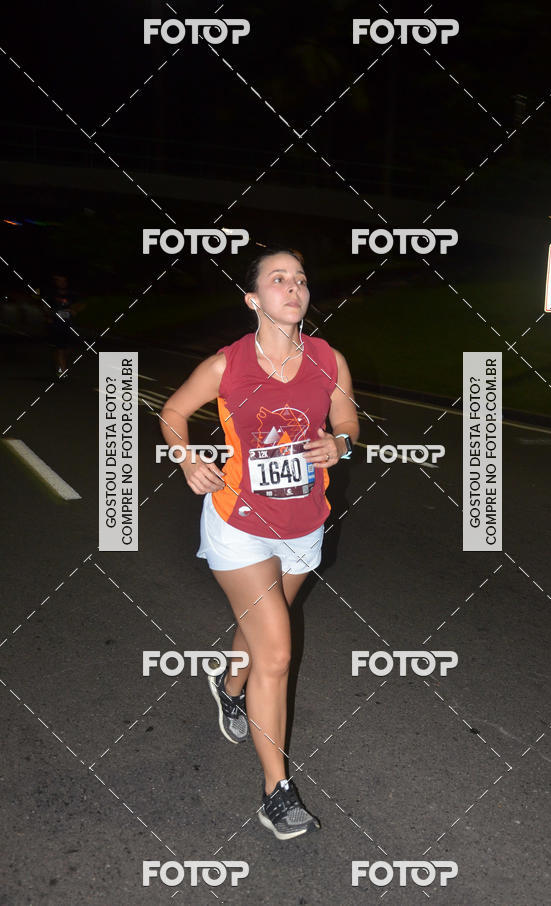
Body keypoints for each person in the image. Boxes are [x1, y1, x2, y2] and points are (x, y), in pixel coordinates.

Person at [160, 248, 359, 840]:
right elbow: (173, 411)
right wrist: (186, 458)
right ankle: (277, 792)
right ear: (253, 299)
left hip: (304, 524)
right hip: (239, 525)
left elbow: (349, 423)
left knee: (260, 627)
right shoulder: (227, 365)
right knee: (275, 652)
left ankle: (228, 688)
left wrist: (340, 446)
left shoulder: (328, 359)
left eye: (300, 279)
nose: (293, 287)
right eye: (278, 280)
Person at [42, 273, 84, 378]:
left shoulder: (72, 294)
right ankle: (62, 371)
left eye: (63, 281)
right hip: (56, 325)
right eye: (59, 281)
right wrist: (49, 316)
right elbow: (45, 307)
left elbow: (80, 305)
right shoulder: (51, 294)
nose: (62, 283)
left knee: (66, 350)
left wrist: (74, 310)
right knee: (60, 349)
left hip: (68, 325)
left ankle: (60, 368)